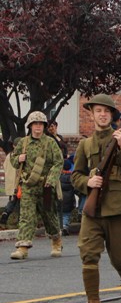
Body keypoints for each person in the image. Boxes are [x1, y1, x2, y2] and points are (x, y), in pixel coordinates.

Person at [71, 94, 121, 303]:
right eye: (98, 111)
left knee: (120, 260)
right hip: (94, 208)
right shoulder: (85, 144)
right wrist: (87, 183)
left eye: (106, 111)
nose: (102, 115)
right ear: (91, 115)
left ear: (112, 115)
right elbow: (76, 175)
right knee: (88, 255)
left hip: (118, 206)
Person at [8, 111, 64, 259]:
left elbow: (58, 162)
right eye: (35, 124)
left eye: (40, 124)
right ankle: (22, 248)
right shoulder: (23, 142)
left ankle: (56, 241)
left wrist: (51, 180)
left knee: (49, 216)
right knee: (26, 217)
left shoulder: (50, 143)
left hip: (45, 186)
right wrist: (18, 158)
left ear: (44, 126)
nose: (38, 127)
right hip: (28, 186)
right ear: (30, 126)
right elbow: (12, 160)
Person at [1, 139, 20, 226]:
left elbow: (5, 167)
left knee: (12, 200)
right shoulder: (20, 156)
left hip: (10, 183)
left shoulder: (9, 155)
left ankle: (6, 213)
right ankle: (20, 220)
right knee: (21, 202)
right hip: (18, 183)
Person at [60, 157, 76, 235]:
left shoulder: (58, 177)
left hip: (60, 198)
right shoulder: (71, 177)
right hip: (69, 198)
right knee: (66, 214)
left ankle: (60, 227)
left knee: (59, 213)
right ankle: (65, 226)